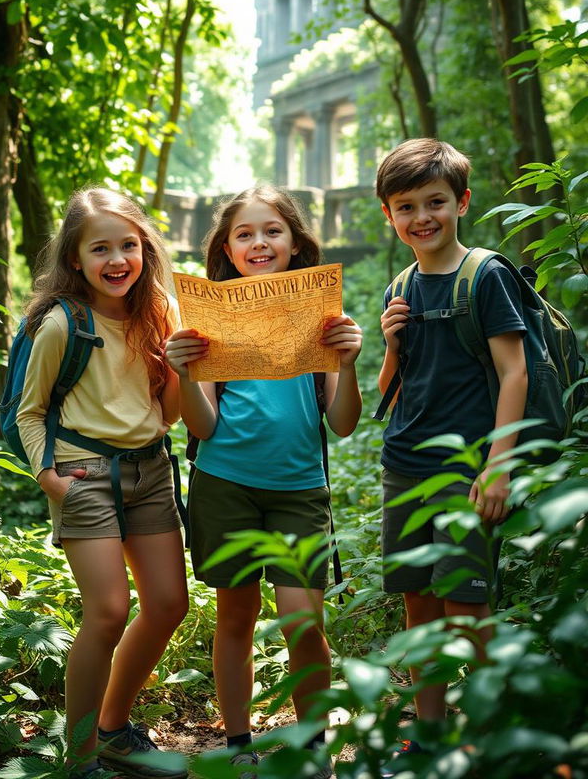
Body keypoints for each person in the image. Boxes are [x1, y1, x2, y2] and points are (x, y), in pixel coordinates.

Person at [165, 185, 363, 779]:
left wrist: (347, 363)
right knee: (236, 615)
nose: (259, 242)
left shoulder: (319, 317)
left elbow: (344, 423)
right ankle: (237, 740)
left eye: (272, 231)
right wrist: (185, 374)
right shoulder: (208, 317)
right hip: (224, 483)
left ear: (296, 243)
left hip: (301, 489)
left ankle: (311, 744)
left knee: (304, 619)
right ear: (226, 248)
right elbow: (202, 424)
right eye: (245, 234)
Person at [16, 187, 189, 779]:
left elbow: (167, 414)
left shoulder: (160, 312)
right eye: (101, 249)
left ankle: (114, 730)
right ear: (75, 259)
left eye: (128, 246)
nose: (117, 260)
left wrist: (181, 367)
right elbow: (29, 410)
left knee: (168, 603)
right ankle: (81, 753)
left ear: (145, 248)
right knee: (109, 611)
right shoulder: (64, 323)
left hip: (152, 470)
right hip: (83, 473)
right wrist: (48, 477)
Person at [375, 139, 528, 769]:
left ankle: (495, 731)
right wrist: (388, 342)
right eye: (406, 206)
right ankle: (429, 732)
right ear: (390, 215)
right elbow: (391, 389)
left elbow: (514, 372)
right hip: (402, 462)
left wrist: (498, 465)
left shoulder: (486, 274)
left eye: (435, 202)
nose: (422, 217)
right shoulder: (401, 283)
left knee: (467, 606)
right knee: (420, 602)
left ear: (461, 201)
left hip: (466, 467)